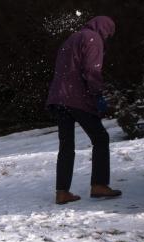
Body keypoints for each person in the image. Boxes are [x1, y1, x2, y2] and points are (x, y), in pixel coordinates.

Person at [46, 16, 122, 205]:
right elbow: (91, 70)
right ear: (105, 29)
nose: (107, 38)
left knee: (66, 145)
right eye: (109, 34)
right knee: (100, 138)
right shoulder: (93, 39)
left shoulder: (71, 38)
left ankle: (62, 192)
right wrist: (97, 94)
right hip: (76, 98)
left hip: (58, 98)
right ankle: (99, 185)